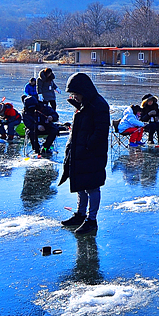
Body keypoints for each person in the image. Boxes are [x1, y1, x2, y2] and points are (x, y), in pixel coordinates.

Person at [59, 73, 110, 236]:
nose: (74, 97)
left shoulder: (99, 105)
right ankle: (81, 214)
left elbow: (101, 131)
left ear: (84, 91)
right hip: (79, 152)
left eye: (75, 93)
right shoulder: (83, 105)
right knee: (81, 185)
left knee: (92, 187)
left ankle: (91, 220)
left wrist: (88, 146)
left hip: (92, 154)